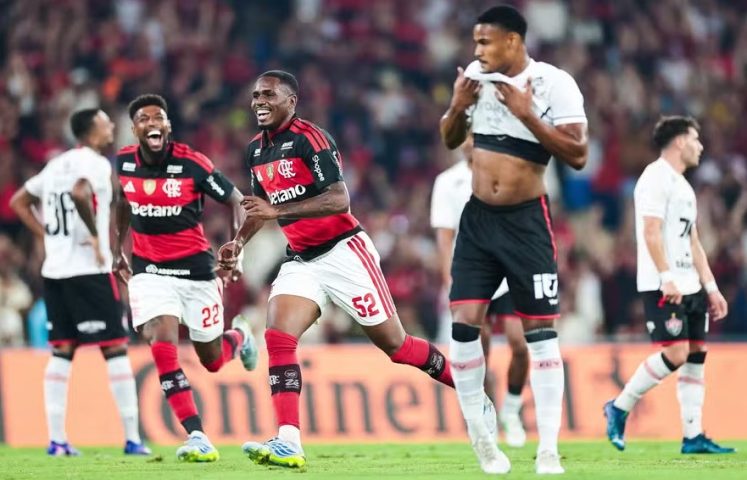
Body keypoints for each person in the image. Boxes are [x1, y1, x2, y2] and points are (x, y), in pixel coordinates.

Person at [218, 70, 488, 470]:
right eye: (256, 95)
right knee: (278, 335)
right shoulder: (256, 151)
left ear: (291, 101)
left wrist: (278, 210)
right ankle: (289, 441)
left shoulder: (311, 139)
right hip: (303, 258)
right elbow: (260, 208)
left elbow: (339, 199)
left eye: (269, 95)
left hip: (345, 252)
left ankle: (471, 390)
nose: (259, 101)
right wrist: (238, 242)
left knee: (397, 346)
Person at [440, 5, 589, 474]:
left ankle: (548, 448)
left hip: (526, 222)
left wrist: (527, 115)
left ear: (512, 41)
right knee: (463, 326)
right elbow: (449, 140)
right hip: (478, 220)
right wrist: (457, 106)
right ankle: (481, 438)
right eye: (475, 42)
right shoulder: (475, 81)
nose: (477, 51)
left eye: (484, 42)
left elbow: (578, 154)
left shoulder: (554, 83)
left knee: (540, 334)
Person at [112, 94, 258, 463]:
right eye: (143, 119)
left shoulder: (193, 164)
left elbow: (236, 201)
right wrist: (118, 250)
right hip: (150, 272)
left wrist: (236, 248)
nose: (151, 123)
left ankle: (239, 338)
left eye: (158, 117)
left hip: (197, 273)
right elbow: (123, 201)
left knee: (211, 359)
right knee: (161, 342)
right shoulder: (124, 163)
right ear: (135, 129)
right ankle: (197, 435)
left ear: (168, 126)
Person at [9, 108, 151, 457]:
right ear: (91, 131)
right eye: (105, 123)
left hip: (55, 272)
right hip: (89, 270)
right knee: (115, 348)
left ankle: (57, 440)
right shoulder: (96, 164)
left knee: (62, 351)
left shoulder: (55, 164)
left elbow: (19, 202)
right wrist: (95, 236)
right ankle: (132, 438)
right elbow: (79, 192)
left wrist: (45, 234)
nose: (111, 127)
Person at [604, 116, 734, 455]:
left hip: (690, 284)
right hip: (665, 283)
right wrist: (666, 277)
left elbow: (693, 241)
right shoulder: (654, 177)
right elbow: (650, 231)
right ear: (679, 141)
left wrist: (711, 287)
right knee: (676, 353)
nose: (700, 146)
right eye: (695, 139)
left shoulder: (684, 186)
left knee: (695, 356)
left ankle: (693, 436)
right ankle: (619, 406)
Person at [431, 135, 528, 448]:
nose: (470, 143)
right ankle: (489, 415)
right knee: (480, 348)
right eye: (466, 137)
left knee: (520, 343)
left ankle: (512, 408)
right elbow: (445, 237)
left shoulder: (503, 172)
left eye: (475, 136)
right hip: (471, 274)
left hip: (508, 272)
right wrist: (449, 279)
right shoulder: (448, 182)